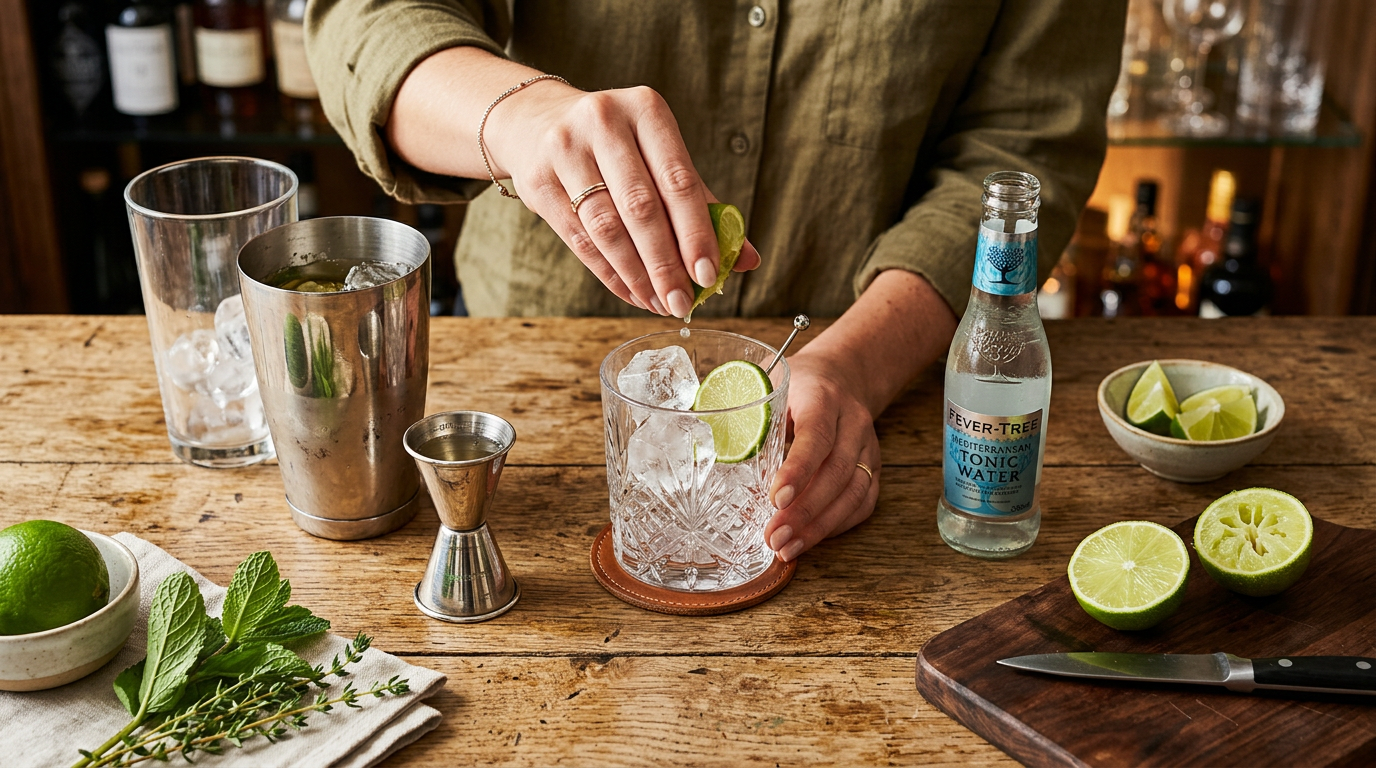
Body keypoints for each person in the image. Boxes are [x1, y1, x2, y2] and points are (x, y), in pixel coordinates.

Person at [307, 1, 1126, 562]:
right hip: (524, 397)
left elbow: (1026, 147)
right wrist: (517, 116)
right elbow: (366, 19)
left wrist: (855, 364)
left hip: (883, 385)